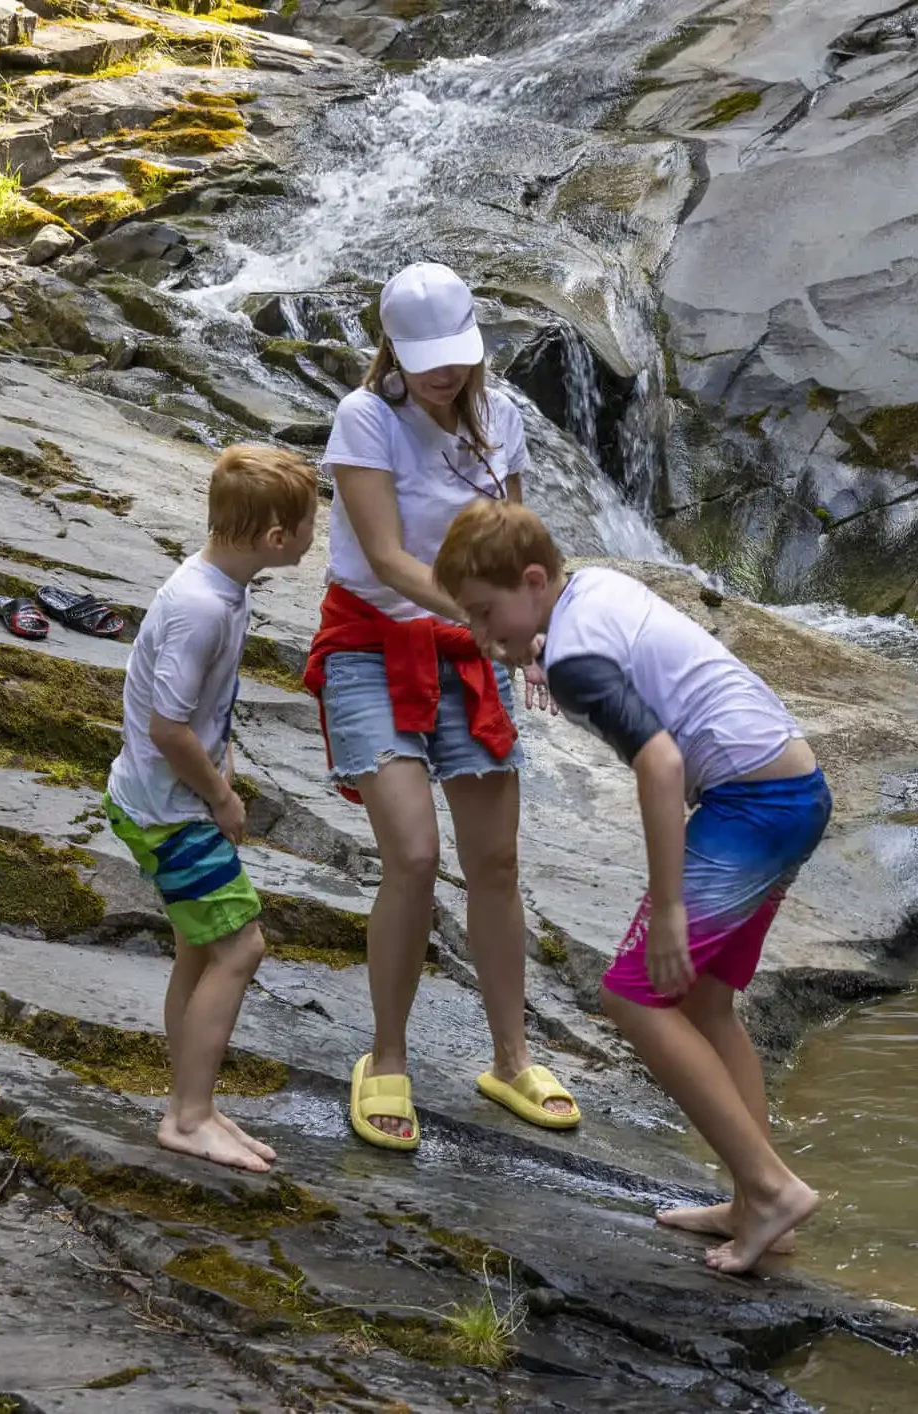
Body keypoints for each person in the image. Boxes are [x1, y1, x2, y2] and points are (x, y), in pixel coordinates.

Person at [434, 499, 833, 1275]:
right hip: (797, 788)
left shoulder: (576, 658)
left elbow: (661, 763)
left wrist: (672, 904)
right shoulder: (594, 594)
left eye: (487, 615)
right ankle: (757, 1205)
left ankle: (770, 1188)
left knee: (631, 994)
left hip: (748, 805)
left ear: (534, 579)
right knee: (706, 1002)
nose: (484, 640)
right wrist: (538, 652)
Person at [305, 260, 579, 1151]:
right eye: (427, 358)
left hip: (473, 652)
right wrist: (486, 621)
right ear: (392, 345)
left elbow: (518, 543)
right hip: (373, 647)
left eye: (455, 356)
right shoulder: (365, 418)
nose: (444, 373)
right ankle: (385, 1057)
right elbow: (384, 557)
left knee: (494, 863)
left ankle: (510, 1057)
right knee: (415, 855)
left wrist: (534, 632)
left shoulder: (500, 419)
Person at [104, 445, 319, 1173]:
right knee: (241, 946)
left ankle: (193, 1099)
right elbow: (166, 728)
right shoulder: (199, 606)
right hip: (170, 811)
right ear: (276, 539)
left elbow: (188, 715)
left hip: (169, 797)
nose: (314, 534)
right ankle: (188, 1116)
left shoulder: (226, 585)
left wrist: (217, 759)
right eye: (309, 523)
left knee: (200, 950)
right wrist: (222, 796)